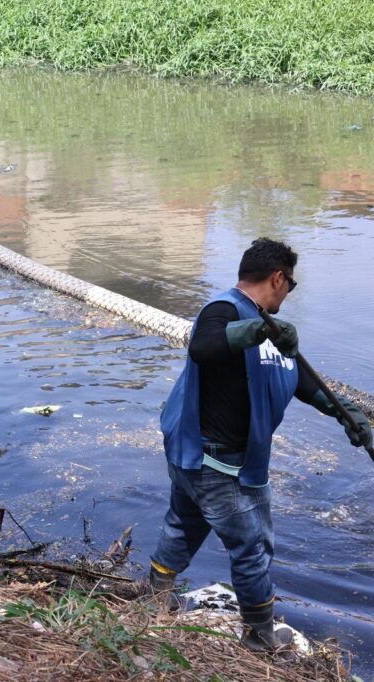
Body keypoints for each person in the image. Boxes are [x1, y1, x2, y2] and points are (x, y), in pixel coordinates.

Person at [149, 237, 372, 651]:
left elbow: (300, 378)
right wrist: (256, 329)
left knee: (185, 523)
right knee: (252, 546)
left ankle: (155, 602)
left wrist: (344, 413)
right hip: (217, 461)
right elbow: (202, 347)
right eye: (292, 284)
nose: (289, 292)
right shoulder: (225, 310)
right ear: (278, 277)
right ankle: (260, 637)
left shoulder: (268, 325)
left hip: (197, 457)